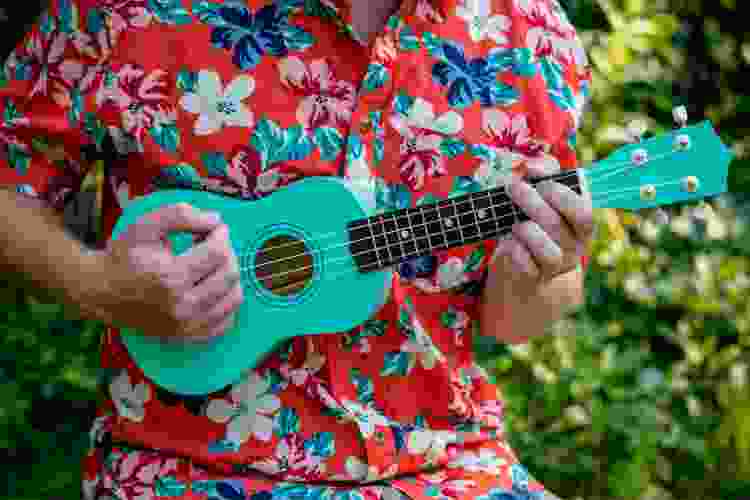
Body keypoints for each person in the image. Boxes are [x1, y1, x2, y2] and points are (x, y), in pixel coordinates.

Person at [0, 0, 594, 498]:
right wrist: (101, 288)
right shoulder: (129, 12)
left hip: (446, 468)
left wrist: (537, 277)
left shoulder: (535, 40)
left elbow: (519, 316)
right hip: (188, 468)